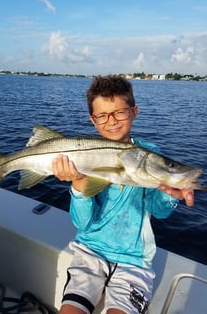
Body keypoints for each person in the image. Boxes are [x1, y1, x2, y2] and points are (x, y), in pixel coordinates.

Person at [52, 75, 194, 314]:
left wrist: (171, 194)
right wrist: (78, 183)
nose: (112, 121)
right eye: (102, 115)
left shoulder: (150, 154)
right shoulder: (84, 155)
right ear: (92, 120)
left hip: (134, 261)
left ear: (134, 111)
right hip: (90, 251)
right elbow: (82, 223)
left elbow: (159, 212)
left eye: (120, 112)